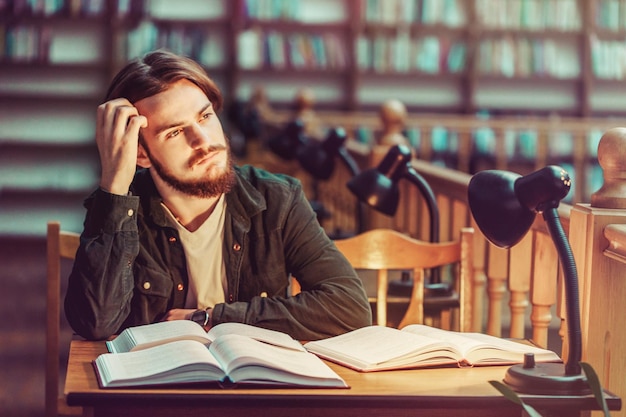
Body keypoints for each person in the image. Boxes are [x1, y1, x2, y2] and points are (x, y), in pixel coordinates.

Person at [64, 50, 372, 341]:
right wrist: (115, 185)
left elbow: (350, 308)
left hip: (255, 385)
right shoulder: (122, 209)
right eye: (174, 132)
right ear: (141, 153)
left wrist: (210, 318)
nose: (202, 141)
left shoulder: (278, 199)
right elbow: (95, 323)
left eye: (204, 117)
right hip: (159, 391)